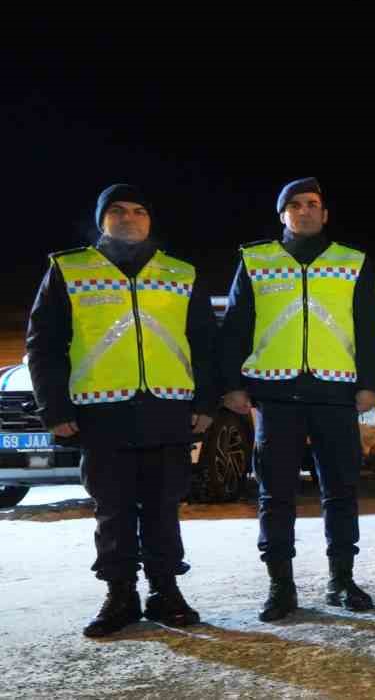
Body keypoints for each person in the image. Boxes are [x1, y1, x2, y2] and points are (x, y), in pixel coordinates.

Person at [26, 184, 217, 636]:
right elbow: (44, 345)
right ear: (101, 219)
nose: (129, 217)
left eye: (139, 210)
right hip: (100, 413)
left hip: (168, 408)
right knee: (112, 509)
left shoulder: (180, 272)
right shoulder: (68, 270)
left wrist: (206, 402)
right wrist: (54, 408)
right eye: (117, 210)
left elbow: (206, 343)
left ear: (150, 220)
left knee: (162, 507)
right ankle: (120, 595)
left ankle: (165, 591)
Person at [220, 177, 375, 619]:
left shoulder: (352, 261)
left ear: (325, 213)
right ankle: (280, 587)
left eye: (313, 204)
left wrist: (370, 382)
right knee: (275, 495)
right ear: (282, 215)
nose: (305, 210)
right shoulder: (255, 261)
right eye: (295, 205)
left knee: (341, 492)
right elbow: (236, 324)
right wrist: (232, 383)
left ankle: (342, 580)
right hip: (275, 396)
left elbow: (369, 325)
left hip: (335, 394)